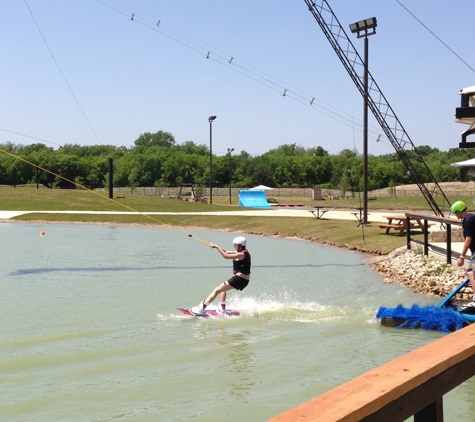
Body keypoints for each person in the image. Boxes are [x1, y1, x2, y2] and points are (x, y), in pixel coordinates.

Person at [191, 236, 251, 315]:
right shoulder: (242, 253)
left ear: (239, 245)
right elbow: (226, 252)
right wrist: (216, 246)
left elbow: (226, 256)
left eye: (235, 245)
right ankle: (222, 309)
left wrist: (216, 246)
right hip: (242, 280)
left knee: (216, 290)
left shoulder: (242, 254)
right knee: (223, 288)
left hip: (239, 279)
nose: (234, 246)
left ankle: (200, 309)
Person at [452, 200, 475, 310]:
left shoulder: (467, 220)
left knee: (471, 273)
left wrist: (461, 257)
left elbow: (468, 240)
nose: (456, 216)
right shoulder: (472, 217)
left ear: (458, 211)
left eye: (455, 213)